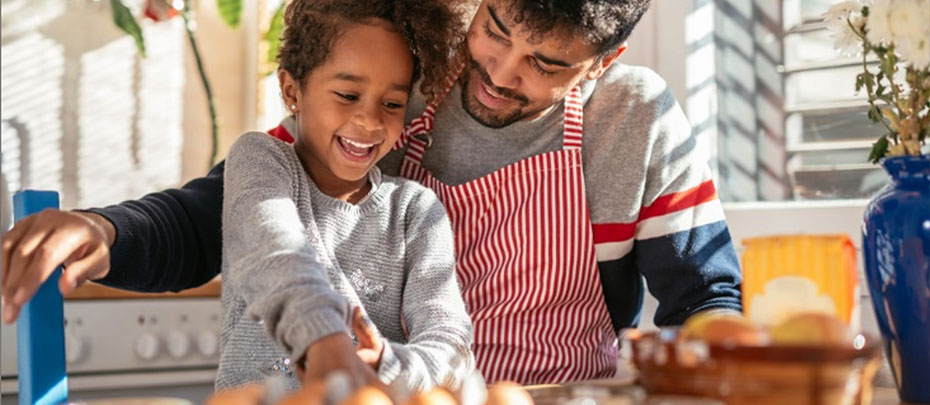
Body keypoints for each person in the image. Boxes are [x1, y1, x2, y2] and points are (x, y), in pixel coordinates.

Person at [1, 0, 742, 385]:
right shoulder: (400, 87)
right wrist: (109, 230)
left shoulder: (634, 117)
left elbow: (706, 300)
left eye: (544, 63)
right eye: (496, 27)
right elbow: (237, 209)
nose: (500, 70)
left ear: (599, 62)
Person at [215, 0, 473, 391]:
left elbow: (450, 345)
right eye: (348, 95)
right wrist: (324, 340)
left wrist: (387, 363)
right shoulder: (260, 159)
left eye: (391, 104)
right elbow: (273, 251)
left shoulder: (415, 211)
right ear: (291, 91)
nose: (370, 121)